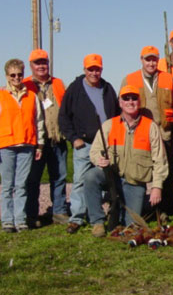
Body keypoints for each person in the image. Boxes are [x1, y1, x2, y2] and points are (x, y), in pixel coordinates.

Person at [84, 85, 168, 236]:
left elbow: (160, 160)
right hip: (113, 177)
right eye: (126, 98)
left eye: (134, 98)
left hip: (135, 182)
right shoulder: (109, 124)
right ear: (120, 103)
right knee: (91, 177)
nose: (130, 101)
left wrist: (157, 187)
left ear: (139, 102)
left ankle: (135, 206)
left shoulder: (150, 127)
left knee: (130, 225)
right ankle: (97, 222)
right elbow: (94, 150)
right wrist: (99, 160)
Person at [58, 54, 120, 234]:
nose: (94, 72)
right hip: (84, 143)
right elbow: (63, 117)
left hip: (105, 144)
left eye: (97, 69)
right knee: (79, 180)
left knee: (104, 179)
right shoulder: (75, 89)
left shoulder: (107, 88)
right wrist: (73, 138)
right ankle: (77, 218)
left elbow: (116, 114)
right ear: (84, 70)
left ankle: (101, 214)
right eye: (91, 69)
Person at [0, 58, 44, 232]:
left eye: (19, 74)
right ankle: (7, 221)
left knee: (22, 185)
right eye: (13, 75)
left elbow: (38, 121)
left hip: (27, 145)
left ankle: (20, 219)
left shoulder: (32, 97)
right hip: (6, 145)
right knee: (7, 185)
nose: (17, 78)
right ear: (7, 76)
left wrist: (39, 145)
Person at [120, 45, 173, 215]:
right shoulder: (129, 79)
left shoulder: (167, 78)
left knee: (166, 173)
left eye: (154, 59)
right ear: (141, 60)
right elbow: (122, 106)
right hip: (140, 134)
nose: (151, 63)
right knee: (139, 172)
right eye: (147, 59)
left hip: (164, 133)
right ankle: (137, 207)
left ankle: (164, 210)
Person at [23, 49, 69, 227]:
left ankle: (59, 211)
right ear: (31, 66)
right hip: (36, 142)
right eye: (37, 63)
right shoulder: (25, 85)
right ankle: (31, 214)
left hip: (57, 139)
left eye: (44, 62)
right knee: (33, 179)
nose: (41, 66)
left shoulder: (58, 83)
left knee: (59, 177)